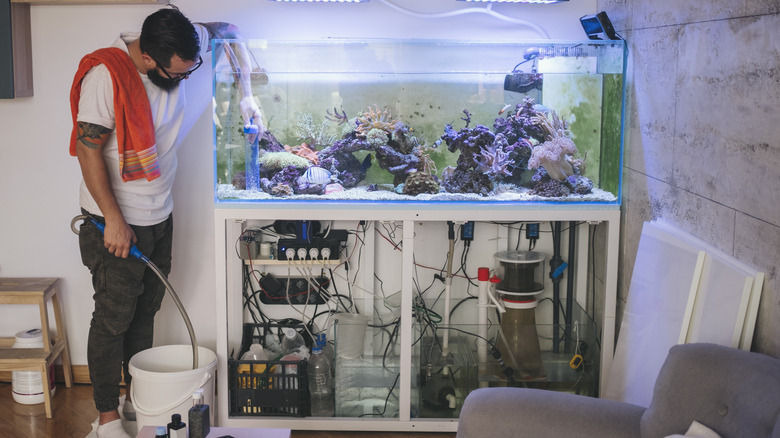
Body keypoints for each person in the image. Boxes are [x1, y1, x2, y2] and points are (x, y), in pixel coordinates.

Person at [69, 6, 262, 438]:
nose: (181, 81)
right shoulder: (108, 74)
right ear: (150, 58)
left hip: (160, 212)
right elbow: (88, 150)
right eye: (176, 74)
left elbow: (229, 31)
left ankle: (136, 401)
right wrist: (114, 220)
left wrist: (248, 92)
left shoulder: (184, 40)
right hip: (114, 219)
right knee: (113, 319)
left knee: (145, 314)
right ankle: (104, 419)